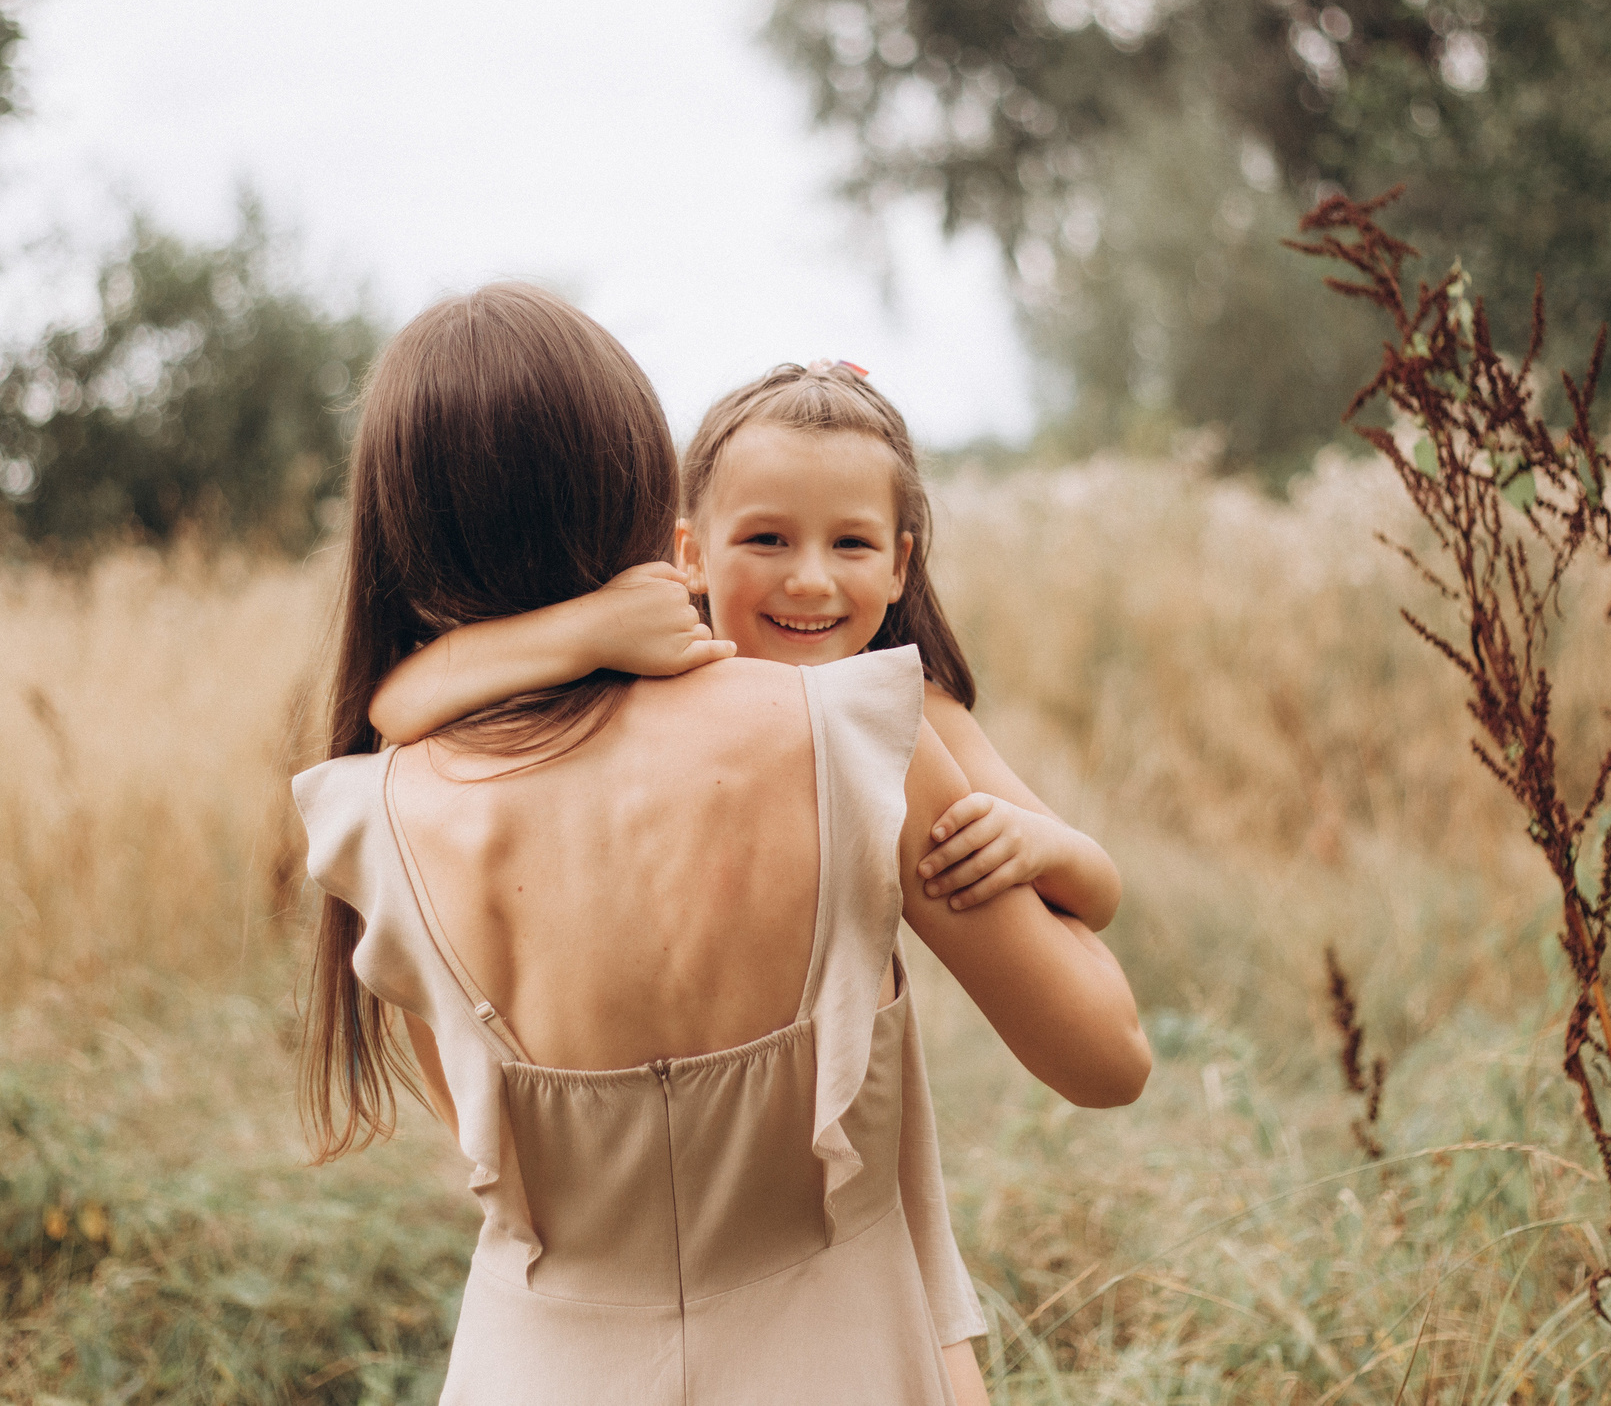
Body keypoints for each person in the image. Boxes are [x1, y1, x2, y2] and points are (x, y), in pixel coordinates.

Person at [294, 286, 1150, 1405]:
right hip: (836, 1358)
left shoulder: (371, 814)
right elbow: (1106, 1058)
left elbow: (480, 1148)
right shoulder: (852, 736)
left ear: (396, 531)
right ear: (650, 502)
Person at [370, 360, 1121, 926]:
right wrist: (588, 627)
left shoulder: (918, 716)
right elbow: (398, 704)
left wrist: (1036, 844)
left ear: (899, 565)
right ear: (690, 552)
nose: (809, 580)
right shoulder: (660, 676)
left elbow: (1099, 888)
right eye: (768, 538)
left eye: (851, 544)